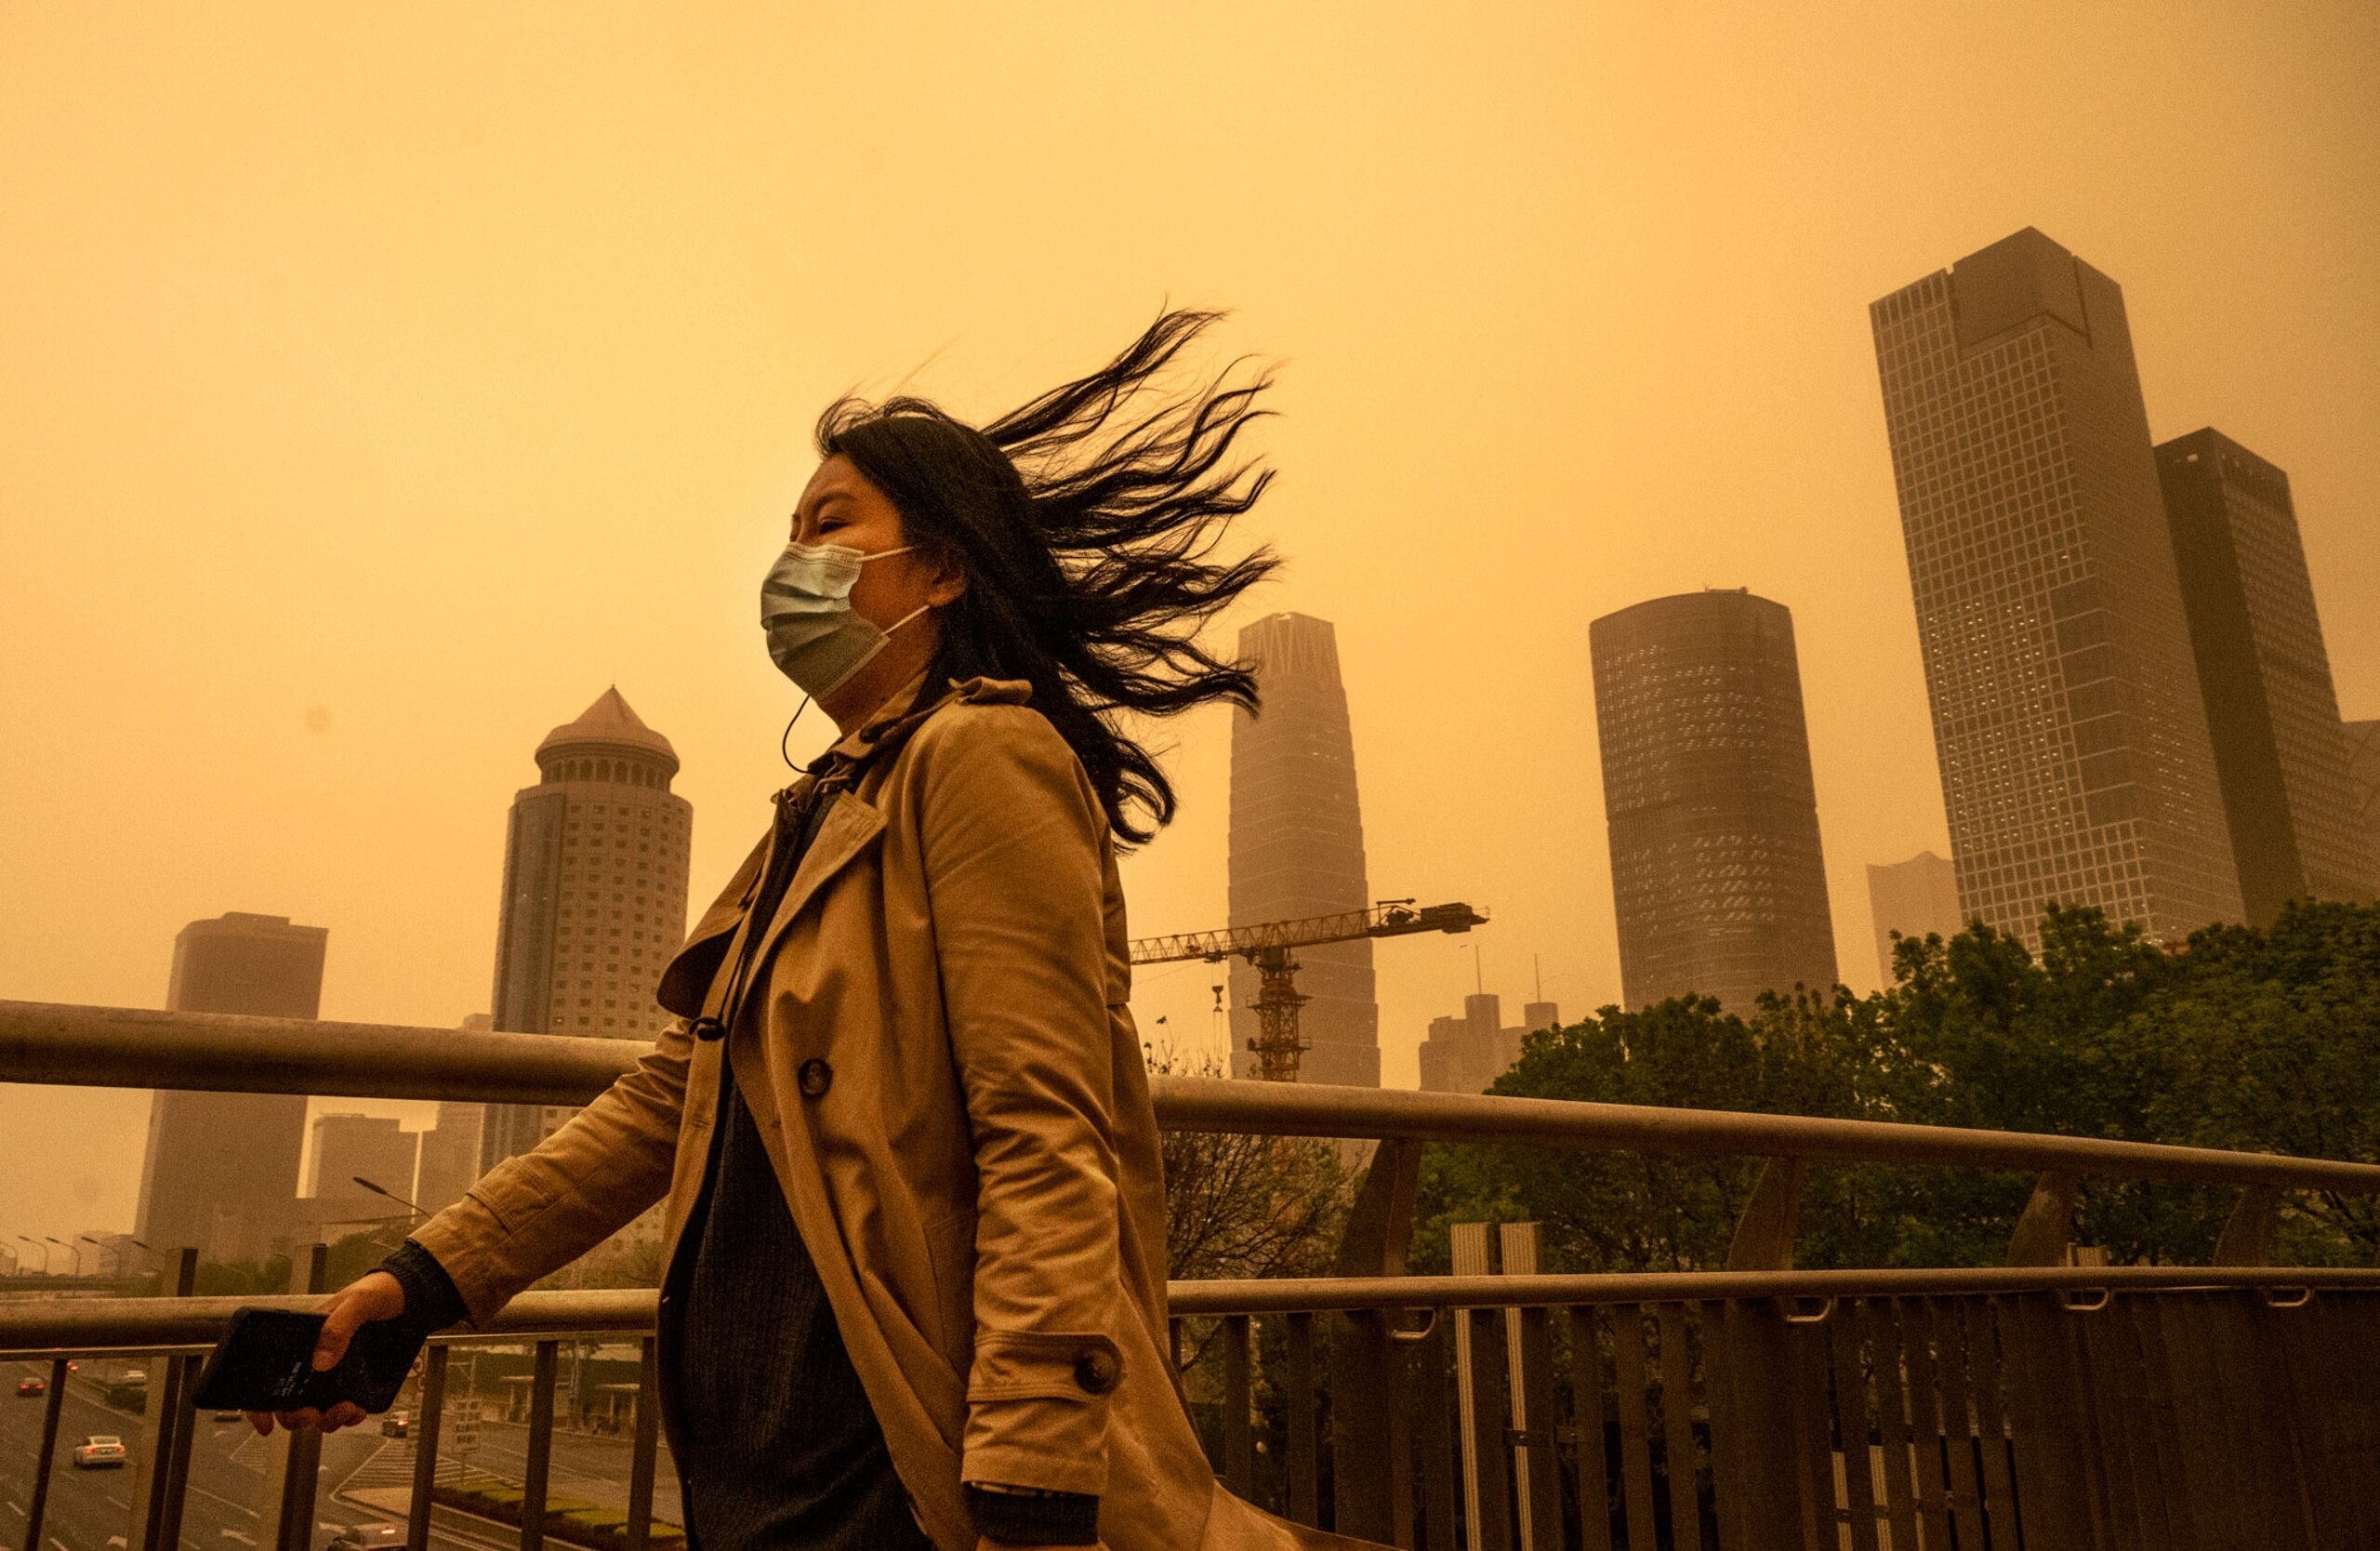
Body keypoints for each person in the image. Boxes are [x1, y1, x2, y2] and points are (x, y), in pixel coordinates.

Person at [250, 312, 1381, 1551]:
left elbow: (1049, 1124)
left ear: (942, 569)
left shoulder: (983, 754)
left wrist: (1033, 1449)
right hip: (762, 1450)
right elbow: (661, 1105)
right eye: (790, 532)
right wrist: (422, 1283)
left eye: (831, 523)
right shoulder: (822, 808)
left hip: (890, 1446)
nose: (793, 560)